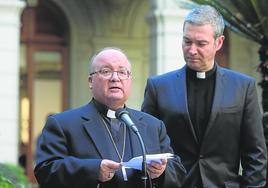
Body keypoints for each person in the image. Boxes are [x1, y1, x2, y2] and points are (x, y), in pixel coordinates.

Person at [141, 5, 267, 188]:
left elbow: (255, 153)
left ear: (219, 42)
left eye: (201, 43)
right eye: (187, 41)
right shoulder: (158, 87)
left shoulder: (243, 87)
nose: (192, 50)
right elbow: (147, 145)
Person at [34, 47, 186, 188]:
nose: (115, 78)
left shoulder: (153, 125)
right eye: (106, 71)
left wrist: (161, 172)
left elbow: (178, 171)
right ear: (90, 81)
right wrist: (94, 170)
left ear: (129, 80)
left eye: (122, 72)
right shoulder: (63, 124)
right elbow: (45, 170)